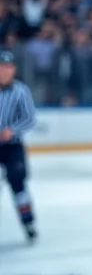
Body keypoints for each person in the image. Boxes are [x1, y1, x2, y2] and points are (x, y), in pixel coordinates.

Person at [0, 50, 37, 242]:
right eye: (2, 67)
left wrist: (12, 130)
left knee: (19, 185)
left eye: (9, 67)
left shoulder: (21, 91)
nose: (5, 71)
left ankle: (28, 222)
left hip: (13, 146)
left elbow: (30, 119)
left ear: (14, 69)